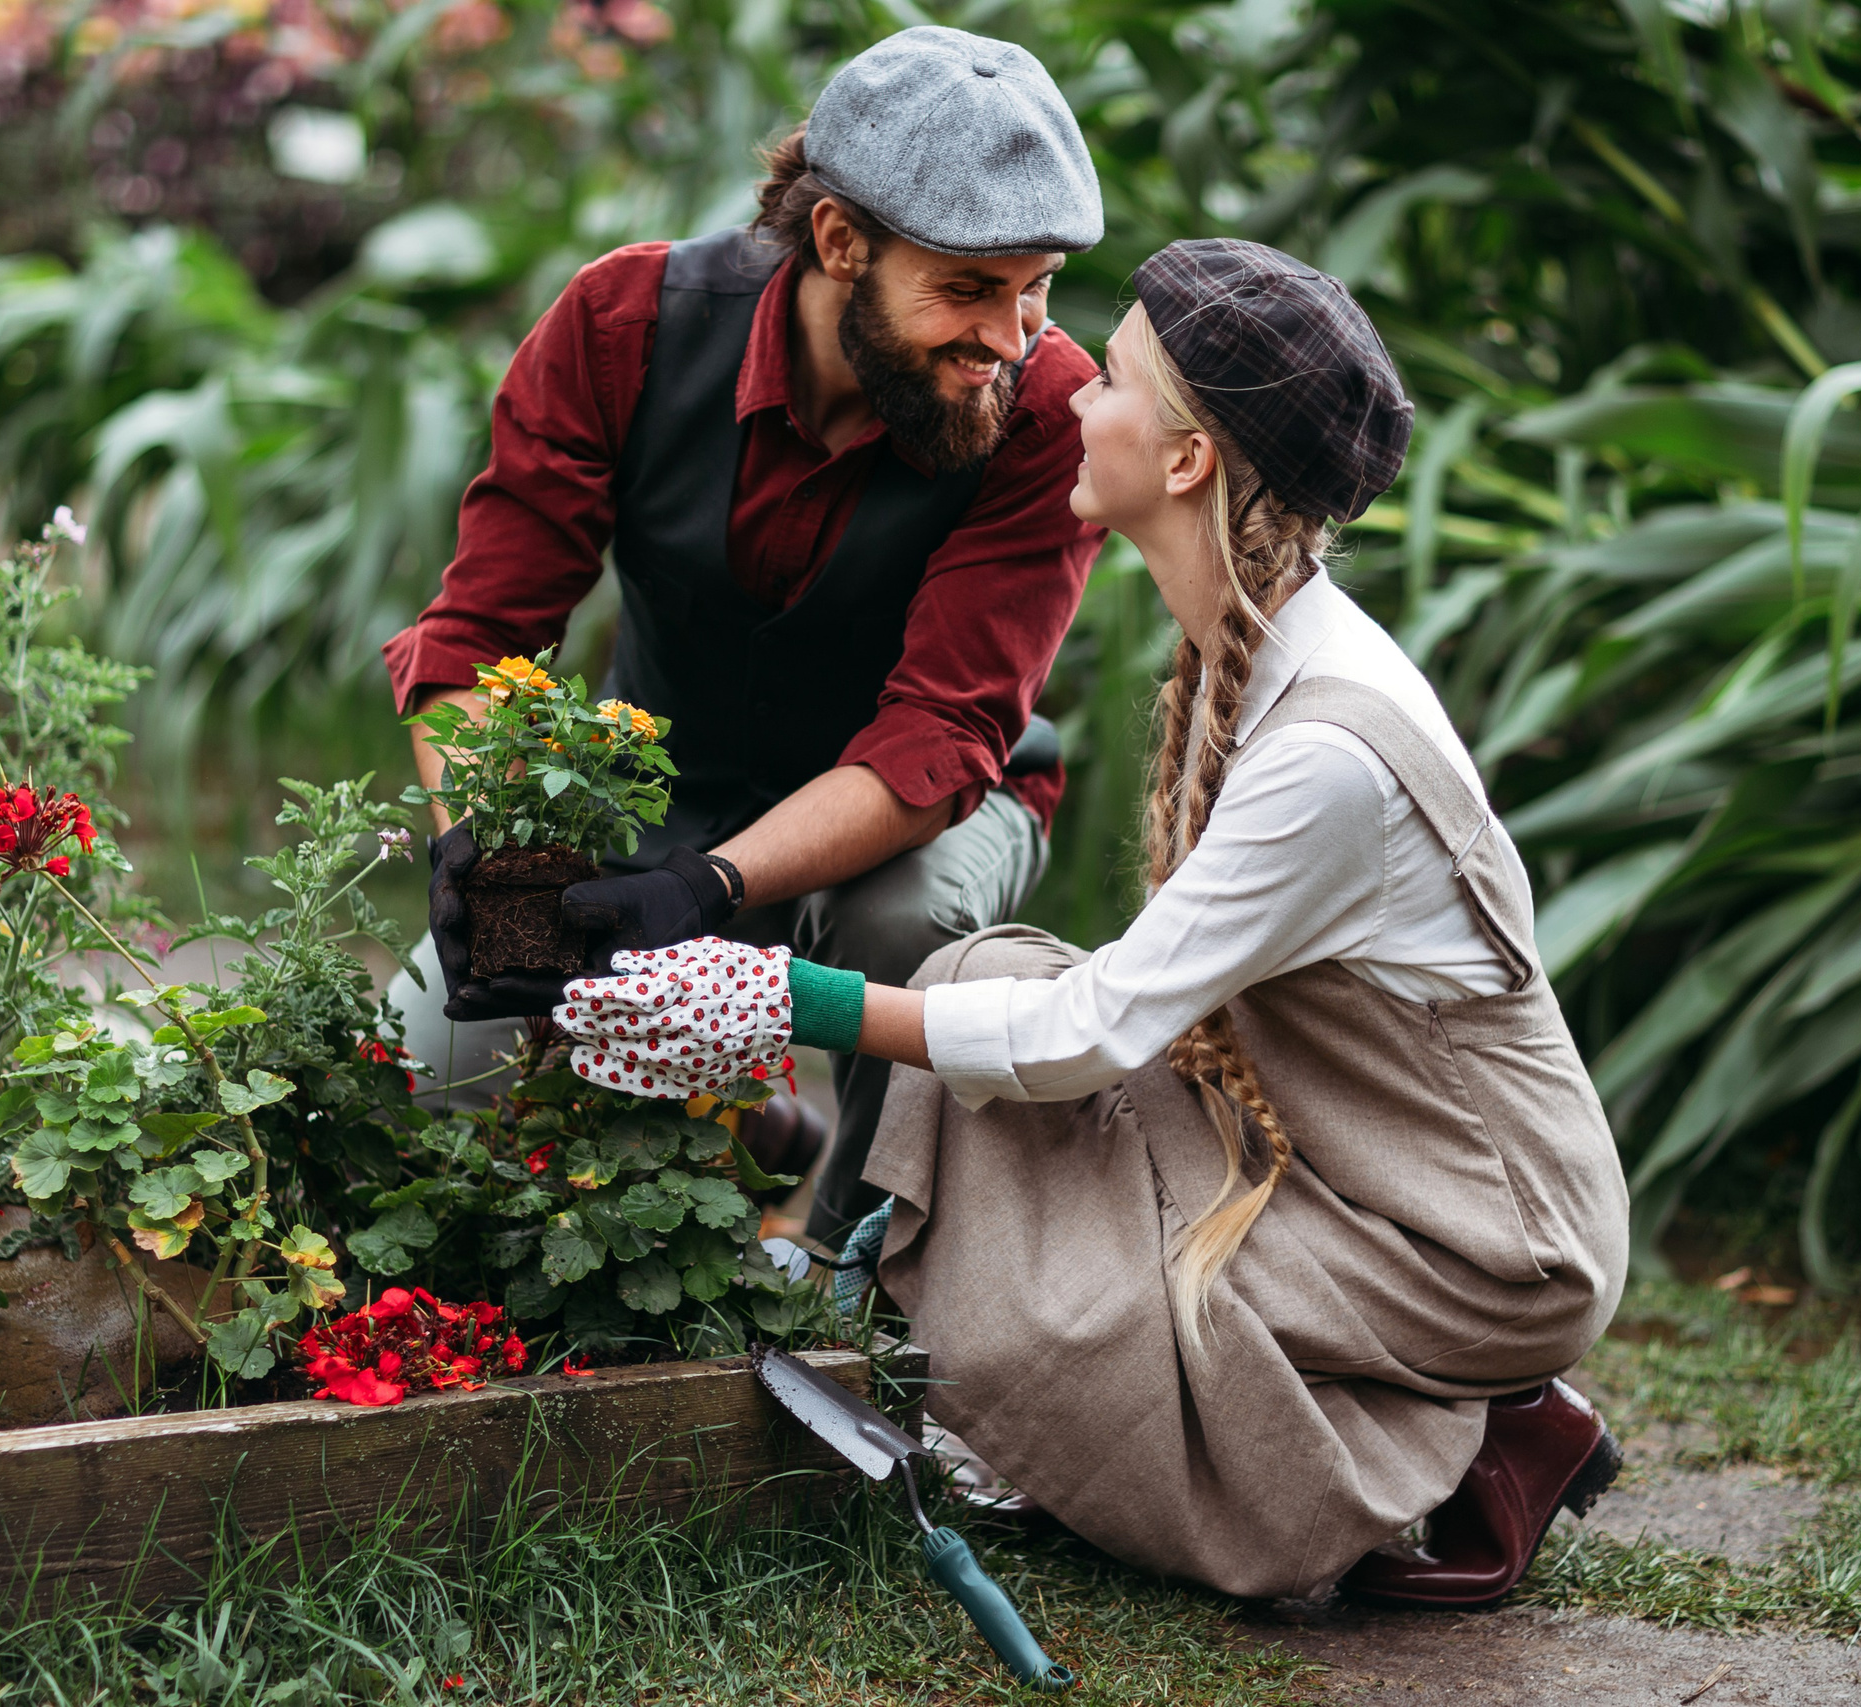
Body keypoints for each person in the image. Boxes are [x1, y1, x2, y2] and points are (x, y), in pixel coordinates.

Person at [549, 240, 1630, 1608]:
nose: (1058, 394)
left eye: (1105, 380)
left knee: (1085, 1315)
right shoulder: (1254, 644)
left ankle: (1450, 1445)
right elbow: (1100, 1013)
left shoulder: (1328, 750)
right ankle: (1418, 1408)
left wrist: (784, 999)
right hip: (1324, 1146)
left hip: (1472, 1235)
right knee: (980, 977)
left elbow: (1100, 1030)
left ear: (1185, 460)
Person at [381, 25, 1108, 1245]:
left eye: (1036, 288)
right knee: (432, 1064)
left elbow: (938, 733)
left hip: (924, 812)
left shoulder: (1042, 411)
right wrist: (491, 860)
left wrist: (707, 887)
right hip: (664, 788)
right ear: (838, 242)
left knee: (903, 932)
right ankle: (753, 1124)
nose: (1009, 338)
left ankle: (862, 1283)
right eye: (969, 289)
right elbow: (476, 643)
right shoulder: (627, 325)